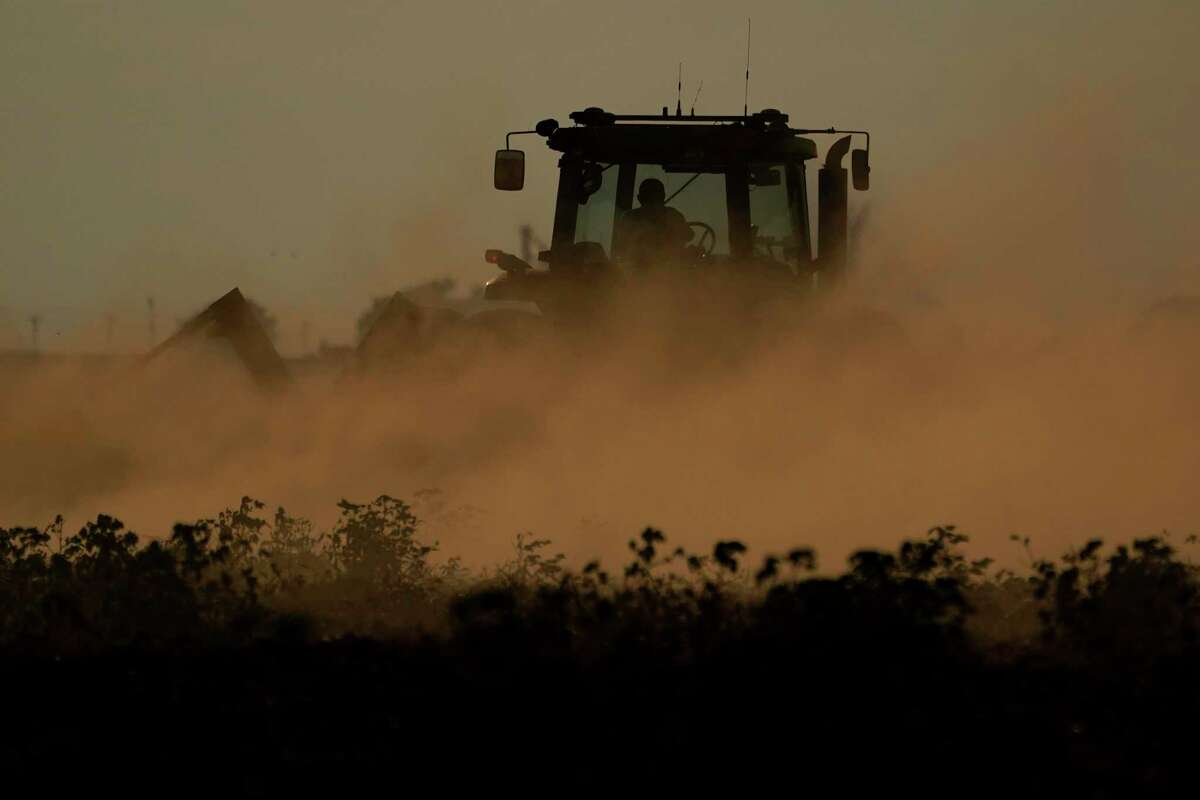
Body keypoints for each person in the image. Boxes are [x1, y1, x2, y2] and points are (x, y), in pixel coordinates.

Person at [618, 178, 693, 270]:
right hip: (669, 271)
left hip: (634, 269)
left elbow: (620, 245)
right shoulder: (673, 214)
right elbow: (689, 235)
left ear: (639, 198)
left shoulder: (629, 217)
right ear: (663, 196)